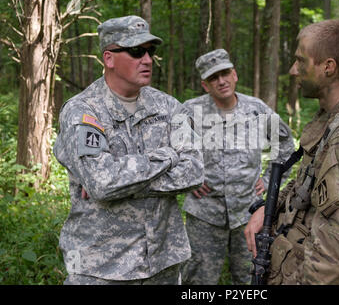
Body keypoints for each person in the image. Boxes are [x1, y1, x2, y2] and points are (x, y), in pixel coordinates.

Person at [53, 15, 204, 285]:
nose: (147, 59)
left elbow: (194, 172)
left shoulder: (169, 107)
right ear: (109, 58)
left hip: (162, 261)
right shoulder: (83, 110)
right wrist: (169, 156)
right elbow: (102, 183)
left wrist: (123, 180)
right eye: (136, 51)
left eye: (150, 51)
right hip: (101, 267)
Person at [244, 19, 339, 285]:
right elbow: (309, 186)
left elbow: (338, 255)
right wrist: (270, 207)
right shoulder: (331, 120)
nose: (293, 70)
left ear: (328, 67)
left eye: (301, 61)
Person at [181, 49, 295, 285]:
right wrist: (187, 177)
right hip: (204, 215)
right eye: (214, 77)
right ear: (205, 85)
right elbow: (166, 146)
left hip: (248, 213)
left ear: (234, 75)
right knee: (199, 280)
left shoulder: (257, 110)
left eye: (225, 74)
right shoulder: (190, 111)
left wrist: (272, 180)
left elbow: (285, 143)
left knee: (249, 276)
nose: (221, 81)